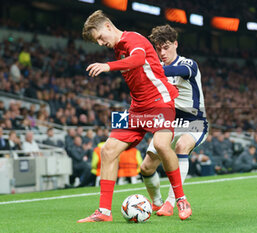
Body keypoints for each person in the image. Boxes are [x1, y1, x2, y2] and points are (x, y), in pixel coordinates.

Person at [77, 10, 190, 223]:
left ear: (108, 26)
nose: (101, 43)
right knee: (108, 150)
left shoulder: (133, 38)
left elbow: (138, 59)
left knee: (161, 143)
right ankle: (104, 212)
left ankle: (181, 199)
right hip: (137, 109)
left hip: (160, 102)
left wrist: (108, 66)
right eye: (97, 41)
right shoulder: (118, 49)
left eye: (100, 37)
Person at [140, 24, 209, 216]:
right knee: (146, 167)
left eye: (166, 47)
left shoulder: (188, 64)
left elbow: (170, 72)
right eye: (158, 48)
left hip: (194, 122)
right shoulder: (157, 68)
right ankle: (156, 202)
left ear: (176, 44)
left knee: (181, 147)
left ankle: (173, 202)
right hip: (169, 123)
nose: (162, 52)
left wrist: (147, 68)